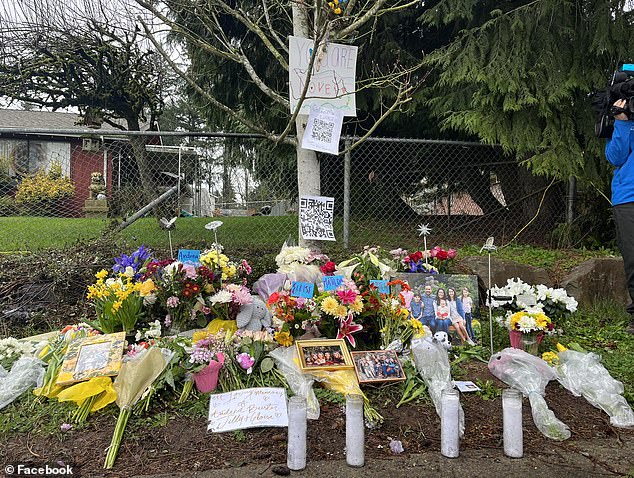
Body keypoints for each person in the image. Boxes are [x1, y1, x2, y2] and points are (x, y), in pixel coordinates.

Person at [606, 98, 634, 334]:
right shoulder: (623, 121)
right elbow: (615, 157)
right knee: (633, 257)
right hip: (628, 197)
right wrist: (622, 123)